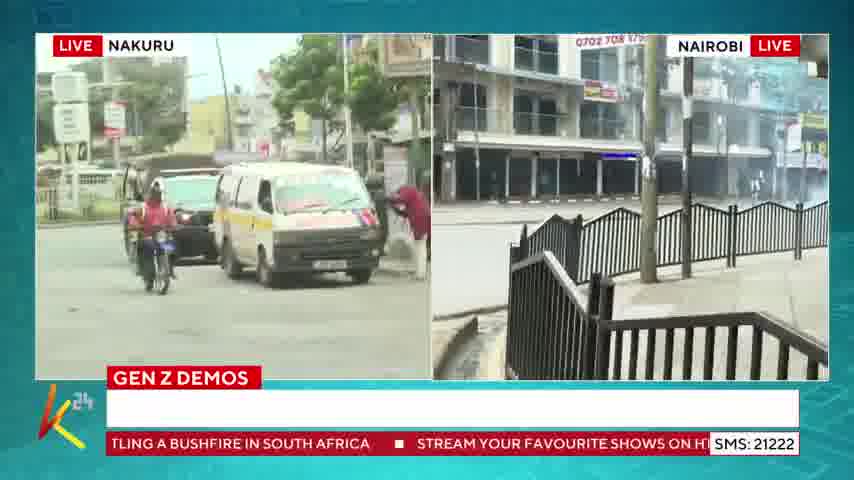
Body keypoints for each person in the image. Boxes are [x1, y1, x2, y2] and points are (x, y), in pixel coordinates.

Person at [128, 182, 178, 279]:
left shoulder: (166, 207)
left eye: (159, 194)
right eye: (155, 194)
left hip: (161, 237)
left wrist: (173, 226)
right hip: (146, 236)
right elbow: (133, 220)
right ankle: (146, 272)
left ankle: (170, 268)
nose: (157, 196)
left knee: (171, 247)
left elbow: (172, 220)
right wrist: (135, 226)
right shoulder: (142, 208)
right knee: (147, 247)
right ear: (150, 195)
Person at [388, 184, 431, 281]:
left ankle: (420, 274)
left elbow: (400, 199)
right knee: (419, 245)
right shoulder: (416, 196)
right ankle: (419, 273)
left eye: (397, 194)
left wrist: (390, 199)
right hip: (424, 218)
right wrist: (394, 207)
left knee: (419, 246)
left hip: (420, 220)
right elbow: (405, 213)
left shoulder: (408, 190)